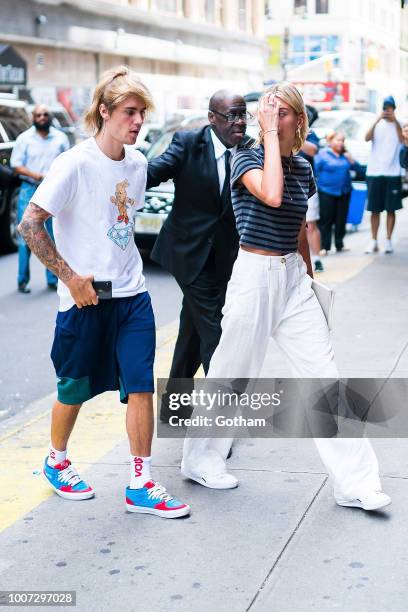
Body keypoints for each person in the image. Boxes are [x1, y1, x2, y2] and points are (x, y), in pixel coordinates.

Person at [181, 82, 391, 512]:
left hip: (292, 279)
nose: (272, 121)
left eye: (283, 114)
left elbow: (297, 229)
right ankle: (200, 460)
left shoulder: (304, 169)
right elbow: (271, 195)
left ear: (299, 119)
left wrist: (309, 283)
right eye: (267, 114)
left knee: (325, 377)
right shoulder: (246, 156)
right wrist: (271, 138)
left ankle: (355, 483)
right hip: (254, 276)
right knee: (231, 374)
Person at [17, 66, 190, 519]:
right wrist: (70, 277)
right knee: (73, 389)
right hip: (84, 299)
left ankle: (141, 481)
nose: (138, 122)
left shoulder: (137, 164)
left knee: (140, 386)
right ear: (105, 111)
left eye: (142, 114)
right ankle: (56, 460)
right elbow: (30, 224)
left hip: (132, 295)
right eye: (130, 113)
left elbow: (120, 225)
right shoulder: (73, 163)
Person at [147, 90, 253, 423]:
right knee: (216, 334)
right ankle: (218, 426)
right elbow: (155, 171)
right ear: (212, 118)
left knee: (192, 330)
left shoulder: (249, 148)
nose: (239, 123)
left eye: (242, 115)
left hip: (225, 257)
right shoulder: (188, 143)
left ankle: (174, 409)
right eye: (231, 116)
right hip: (188, 253)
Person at [11, 104, 70, 293]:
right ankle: (22, 279)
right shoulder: (24, 139)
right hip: (30, 190)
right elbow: (16, 165)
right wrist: (37, 176)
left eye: (45, 114)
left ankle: (53, 279)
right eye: (38, 114)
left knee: (55, 236)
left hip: (53, 190)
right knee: (26, 236)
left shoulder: (60, 138)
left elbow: (67, 163)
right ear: (33, 117)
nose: (42, 117)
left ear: (50, 116)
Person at [364, 95, 403, 254]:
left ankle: (388, 241)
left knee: (391, 209)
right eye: (385, 108)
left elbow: (402, 139)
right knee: (374, 209)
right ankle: (373, 241)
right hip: (374, 172)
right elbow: (366, 138)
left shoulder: (399, 125)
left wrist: (396, 121)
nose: (387, 111)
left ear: (394, 109)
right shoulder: (377, 123)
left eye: (390, 108)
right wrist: (376, 120)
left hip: (393, 173)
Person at [314, 131, 361, 253]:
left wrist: (351, 159)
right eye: (338, 140)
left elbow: (359, 170)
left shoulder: (345, 155)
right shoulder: (322, 154)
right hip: (326, 191)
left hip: (344, 191)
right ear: (330, 141)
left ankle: (339, 244)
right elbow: (314, 171)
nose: (340, 143)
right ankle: (324, 246)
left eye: (342, 140)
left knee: (341, 219)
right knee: (326, 219)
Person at [300, 106, 324, 272]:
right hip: (284, 183)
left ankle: (316, 259)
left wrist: (294, 135)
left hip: (306, 184)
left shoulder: (310, 134)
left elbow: (313, 150)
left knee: (310, 223)